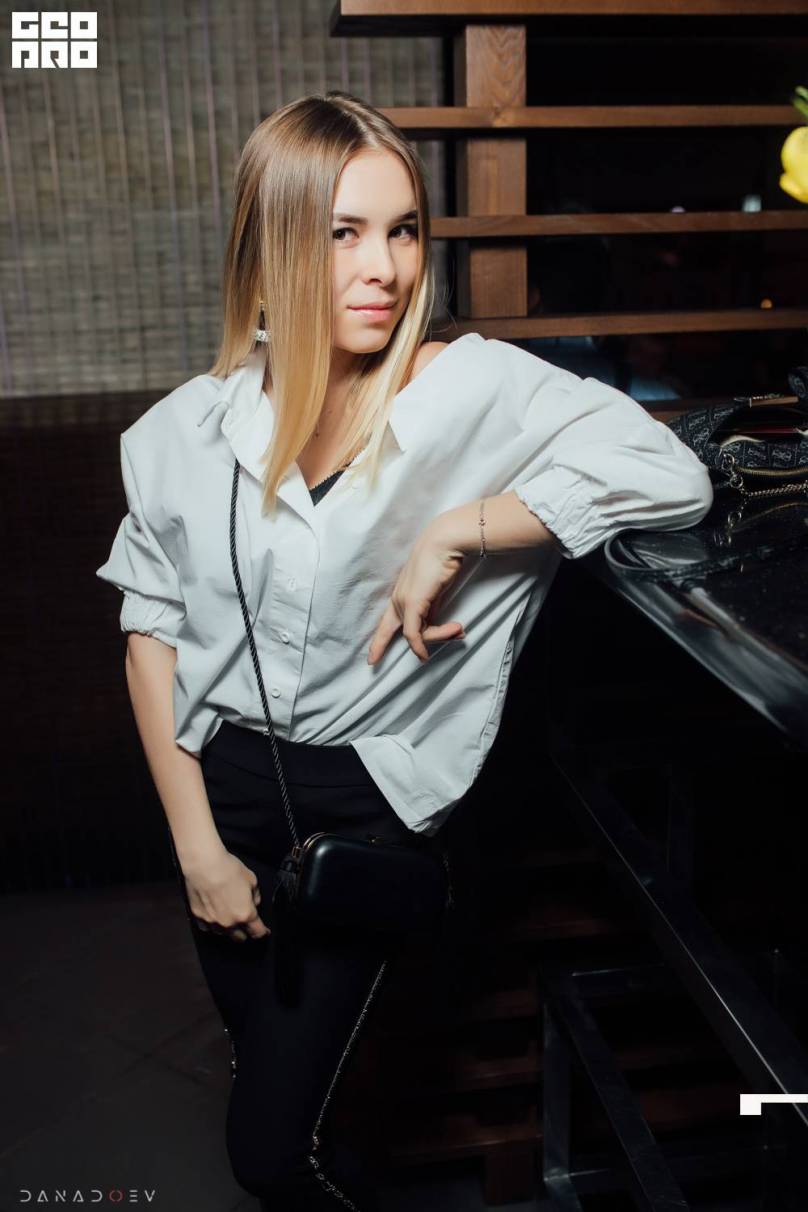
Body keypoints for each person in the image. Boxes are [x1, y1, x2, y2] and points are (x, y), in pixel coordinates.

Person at [95, 91, 714, 1210]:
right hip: (216, 800)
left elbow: (672, 476)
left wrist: (463, 526)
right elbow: (151, 635)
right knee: (283, 1102)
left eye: (403, 229)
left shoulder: (471, 387)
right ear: (273, 245)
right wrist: (196, 849)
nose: (382, 266)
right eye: (343, 233)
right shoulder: (187, 428)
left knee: (271, 1152)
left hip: (363, 810)